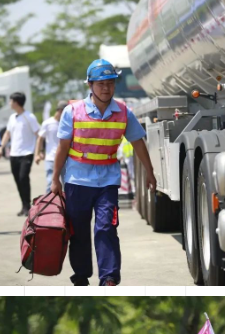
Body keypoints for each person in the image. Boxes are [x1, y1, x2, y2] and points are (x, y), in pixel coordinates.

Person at [50, 59, 157, 286]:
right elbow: (63, 148)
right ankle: (81, 275)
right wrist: (55, 179)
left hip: (107, 182)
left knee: (106, 226)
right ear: (90, 85)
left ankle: (108, 277)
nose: (106, 88)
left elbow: (138, 142)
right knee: (77, 231)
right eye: (101, 84)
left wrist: (150, 172)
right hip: (77, 181)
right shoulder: (73, 112)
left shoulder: (123, 112)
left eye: (110, 83)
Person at [0, 92, 40, 216]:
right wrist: (1, 148)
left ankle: (28, 206)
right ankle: (24, 205)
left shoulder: (29, 117)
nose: (9, 103)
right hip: (14, 154)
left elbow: (39, 135)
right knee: (17, 180)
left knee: (23, 178)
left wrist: (38, 152)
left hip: (26, 153)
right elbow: (7, 134)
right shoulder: (12, 118)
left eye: (10, 101)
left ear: (16, 102)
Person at [36, 100, 68, 193]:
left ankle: (66, 206)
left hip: (65, 159)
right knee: (51, 184)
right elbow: (40, 139)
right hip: (51, 159)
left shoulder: (67, 123)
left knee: (67, 184)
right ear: (61, 111)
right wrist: (38, 154)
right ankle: (49, 206)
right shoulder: (48, 123)